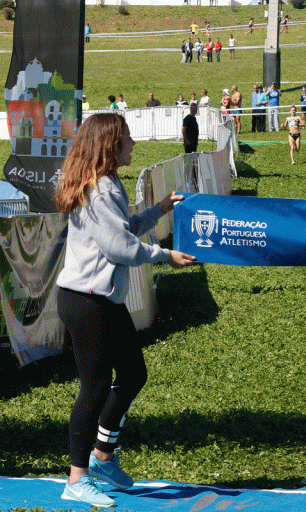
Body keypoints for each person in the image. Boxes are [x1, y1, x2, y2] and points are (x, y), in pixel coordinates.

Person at [56, 113, 195, 508]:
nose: (134, 144)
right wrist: (165, 255)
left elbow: (125, 228)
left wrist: (162, 208)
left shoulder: (109, 184)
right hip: (85, 301)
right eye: (128, 139)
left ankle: (102, 458)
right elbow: (121, 248)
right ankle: (76, 478)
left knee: (133, 373)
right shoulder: (99, 190)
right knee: (95, 387)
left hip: (101, 299)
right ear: (111, 145)